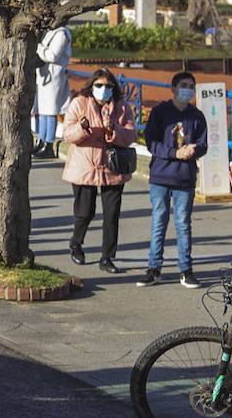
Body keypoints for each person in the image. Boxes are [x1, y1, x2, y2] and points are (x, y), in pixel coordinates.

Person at [58, 67, 137, 274]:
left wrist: (114, 130)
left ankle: (107, 257)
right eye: (99, 85)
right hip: (84, 165)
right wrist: (82, 128)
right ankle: (76, 243)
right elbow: (68, 135)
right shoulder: (79, 104)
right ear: (91, 86)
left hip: (112, 167)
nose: (103, 89)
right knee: (85, 212)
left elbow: (130, 135)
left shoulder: (122, 107)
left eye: (108, 86)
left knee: (112, 215)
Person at [138, 72, 207, 287]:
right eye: (184, 85)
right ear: (174, 88)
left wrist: (194, 149)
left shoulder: (197, 116)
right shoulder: (160, 112)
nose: (188, 90)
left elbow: (204, 144)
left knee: (183, 224)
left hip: (184, 178)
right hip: (161, 176)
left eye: (191, 87)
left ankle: (186, 269)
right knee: (159, 221)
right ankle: (153, 267)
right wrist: (173, 153)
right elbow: (151, 142)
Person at [33, 24, 72, 160]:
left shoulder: (61, 34)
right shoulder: (50, 31)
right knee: (43, 112)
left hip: (55, 76)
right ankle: (41, 140)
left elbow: (53, 55)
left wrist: (39, 48)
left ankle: (49, 143)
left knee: (51, 111)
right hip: (44, 75)